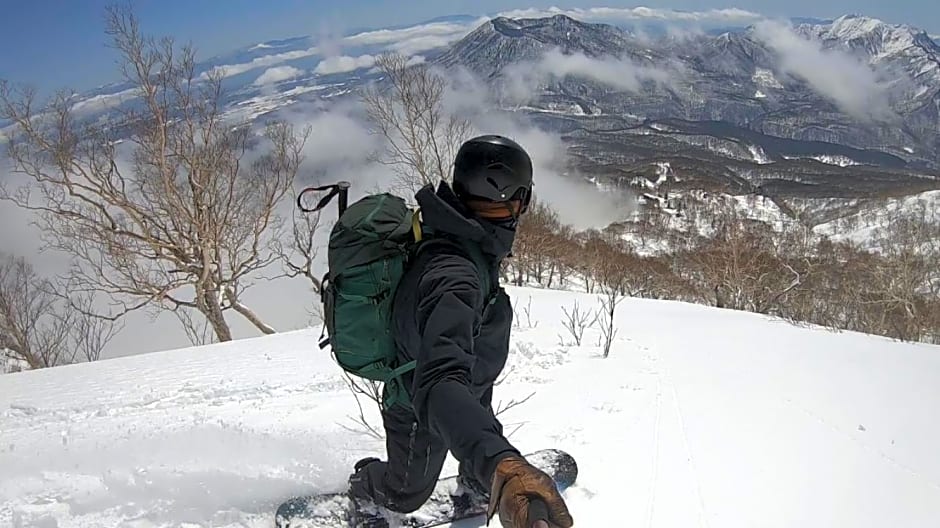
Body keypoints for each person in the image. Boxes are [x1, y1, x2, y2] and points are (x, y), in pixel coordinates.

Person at [347, 135, 574, 528]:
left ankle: (476, 480)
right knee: (406, 492)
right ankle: (369, 486)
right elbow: (438, 384)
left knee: (477, 418)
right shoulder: (455, 275)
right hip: (421, 403)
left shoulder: (463, 236)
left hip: (469, 381)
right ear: (517, 199)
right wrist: (501, 465)